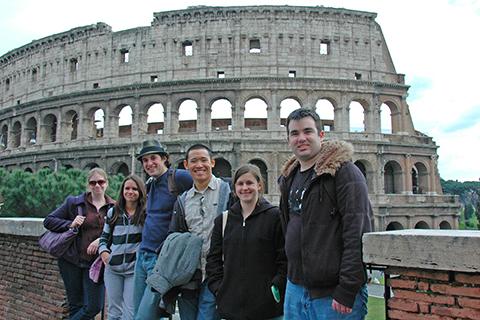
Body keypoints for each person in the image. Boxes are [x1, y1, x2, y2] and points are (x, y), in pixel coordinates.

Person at [278, 108, 373, 320]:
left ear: (321, 135)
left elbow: (357, 231)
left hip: (333, 293)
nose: (301, 138)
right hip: (295, 287)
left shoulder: (344, 172)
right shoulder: (289, 178)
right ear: (288, 140)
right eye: (294, 133)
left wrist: (347, 288)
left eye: (307, 131)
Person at [206, 164, 287, 320]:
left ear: (259, 185)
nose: (245, 188)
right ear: (234, 187)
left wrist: (275, 287)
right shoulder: (223, 220)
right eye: (240, 183)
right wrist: (219, 289)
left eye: (249, 183)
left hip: (267, 308)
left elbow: (284, 258)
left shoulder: (275, 216)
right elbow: (213, 260)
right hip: (232, 308)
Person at [169, 143, 231, 320]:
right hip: (189, 275)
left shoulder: (228, 191)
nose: (199, 165)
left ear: (212, 162)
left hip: (217, 273)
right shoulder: (182, 200)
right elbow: (175, 237)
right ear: (186, 165)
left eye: (204, 160)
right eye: (194, 161)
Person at [44, 168, 115, 320]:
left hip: (96, 264)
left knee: (94, 306)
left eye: (101, 182)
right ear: (88, 185)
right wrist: (70, 224)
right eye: (93, 182)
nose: (97, 185)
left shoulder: (113, 207)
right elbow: (48, 221)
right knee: (75, 304)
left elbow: (118, 233)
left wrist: (102, 240)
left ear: (107, 184)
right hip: (71, 261)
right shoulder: (74, 203)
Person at [133, 139, 192, 319]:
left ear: (164, 158)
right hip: (142, 256)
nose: (149, 163)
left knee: (144, 316)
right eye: (145, 160)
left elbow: (210, 184)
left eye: (153, 158)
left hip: (161, 259)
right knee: (138, 311)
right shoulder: (150, 183)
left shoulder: (179, 177)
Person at [98, 174, 146, 320]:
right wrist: (104, 252)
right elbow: (104, 238)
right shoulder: (113, 212)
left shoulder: (145, 214)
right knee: (113, 312)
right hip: (113, 269)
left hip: (133, 270)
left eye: (135, 189)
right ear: (122, 191)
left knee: (129, 313)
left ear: (140, 192)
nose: (130, 192)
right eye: (127, 188)